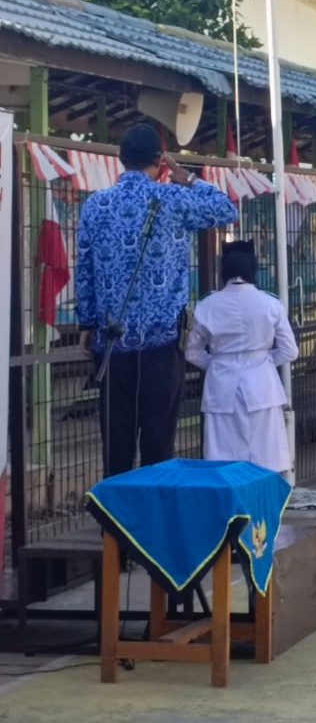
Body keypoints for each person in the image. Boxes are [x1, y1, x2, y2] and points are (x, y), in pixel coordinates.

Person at [76, 123, 238, 478]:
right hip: (162, 346)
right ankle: (153, 526)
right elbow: (226, 209)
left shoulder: (96, 205)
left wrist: (86, 323)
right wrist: (187, 178)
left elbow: (85, 268)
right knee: (158, 445)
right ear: (160, 161)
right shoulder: (174, 200)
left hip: (111, 343)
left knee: (115, 446)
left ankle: (114, 528)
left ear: (121, 158)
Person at [185, 240, 297, 472]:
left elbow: (192, 352)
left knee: (222, 456)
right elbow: (289, 351)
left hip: (221, 386)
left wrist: (216, 364)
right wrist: (263, 362)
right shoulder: (271, 304)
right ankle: (263, 505)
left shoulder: (207, 306)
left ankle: (227, 507)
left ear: (223, 272)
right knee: (266, 456)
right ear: (252, 270)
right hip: (263, 388)